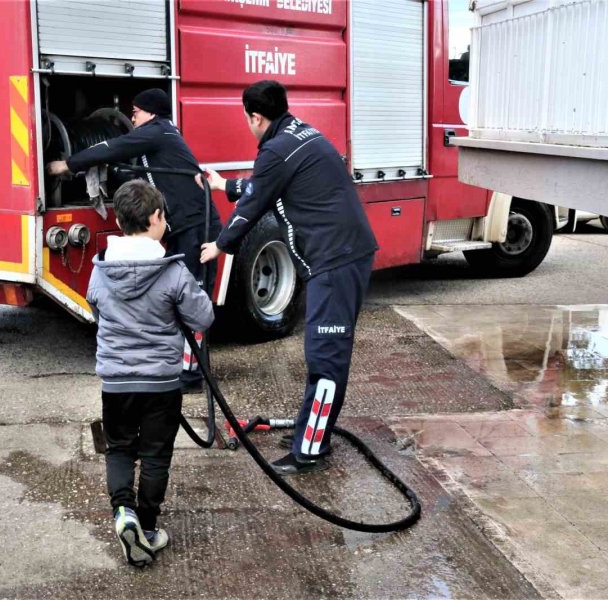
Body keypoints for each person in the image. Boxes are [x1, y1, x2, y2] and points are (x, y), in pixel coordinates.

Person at [198, 80, 378, 476]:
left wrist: (220, 245)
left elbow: (253, 204)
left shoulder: (276, 149)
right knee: (324, 354)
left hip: (337, 260)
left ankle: (309, 450)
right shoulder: (300, 133)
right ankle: (315, 433)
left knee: (325, 357)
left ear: (256, 117)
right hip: (343, 254)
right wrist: (221, 184)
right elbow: (266, 187)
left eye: (247, 119)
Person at [48, 88, 221, 393]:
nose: (132, 117)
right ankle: (188, 368)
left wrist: (68, 165)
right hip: (184, 227)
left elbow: (110, 147)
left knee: (192, 299)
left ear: (152, 113)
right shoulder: (160, 135)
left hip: (198, 228)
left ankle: (192, 377)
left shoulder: (156, 132)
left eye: (137, 111)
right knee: (185, 299)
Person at [86, 179, 214, 567]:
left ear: (122, 221)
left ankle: (122, 512)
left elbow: (97, 310)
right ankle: (148, 527)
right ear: (156, 218)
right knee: (156, 455)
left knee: (120, 448)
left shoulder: (100, 271)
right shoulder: (172, 273)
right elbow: (203, 317)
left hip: (116, 382)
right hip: (161, 383)